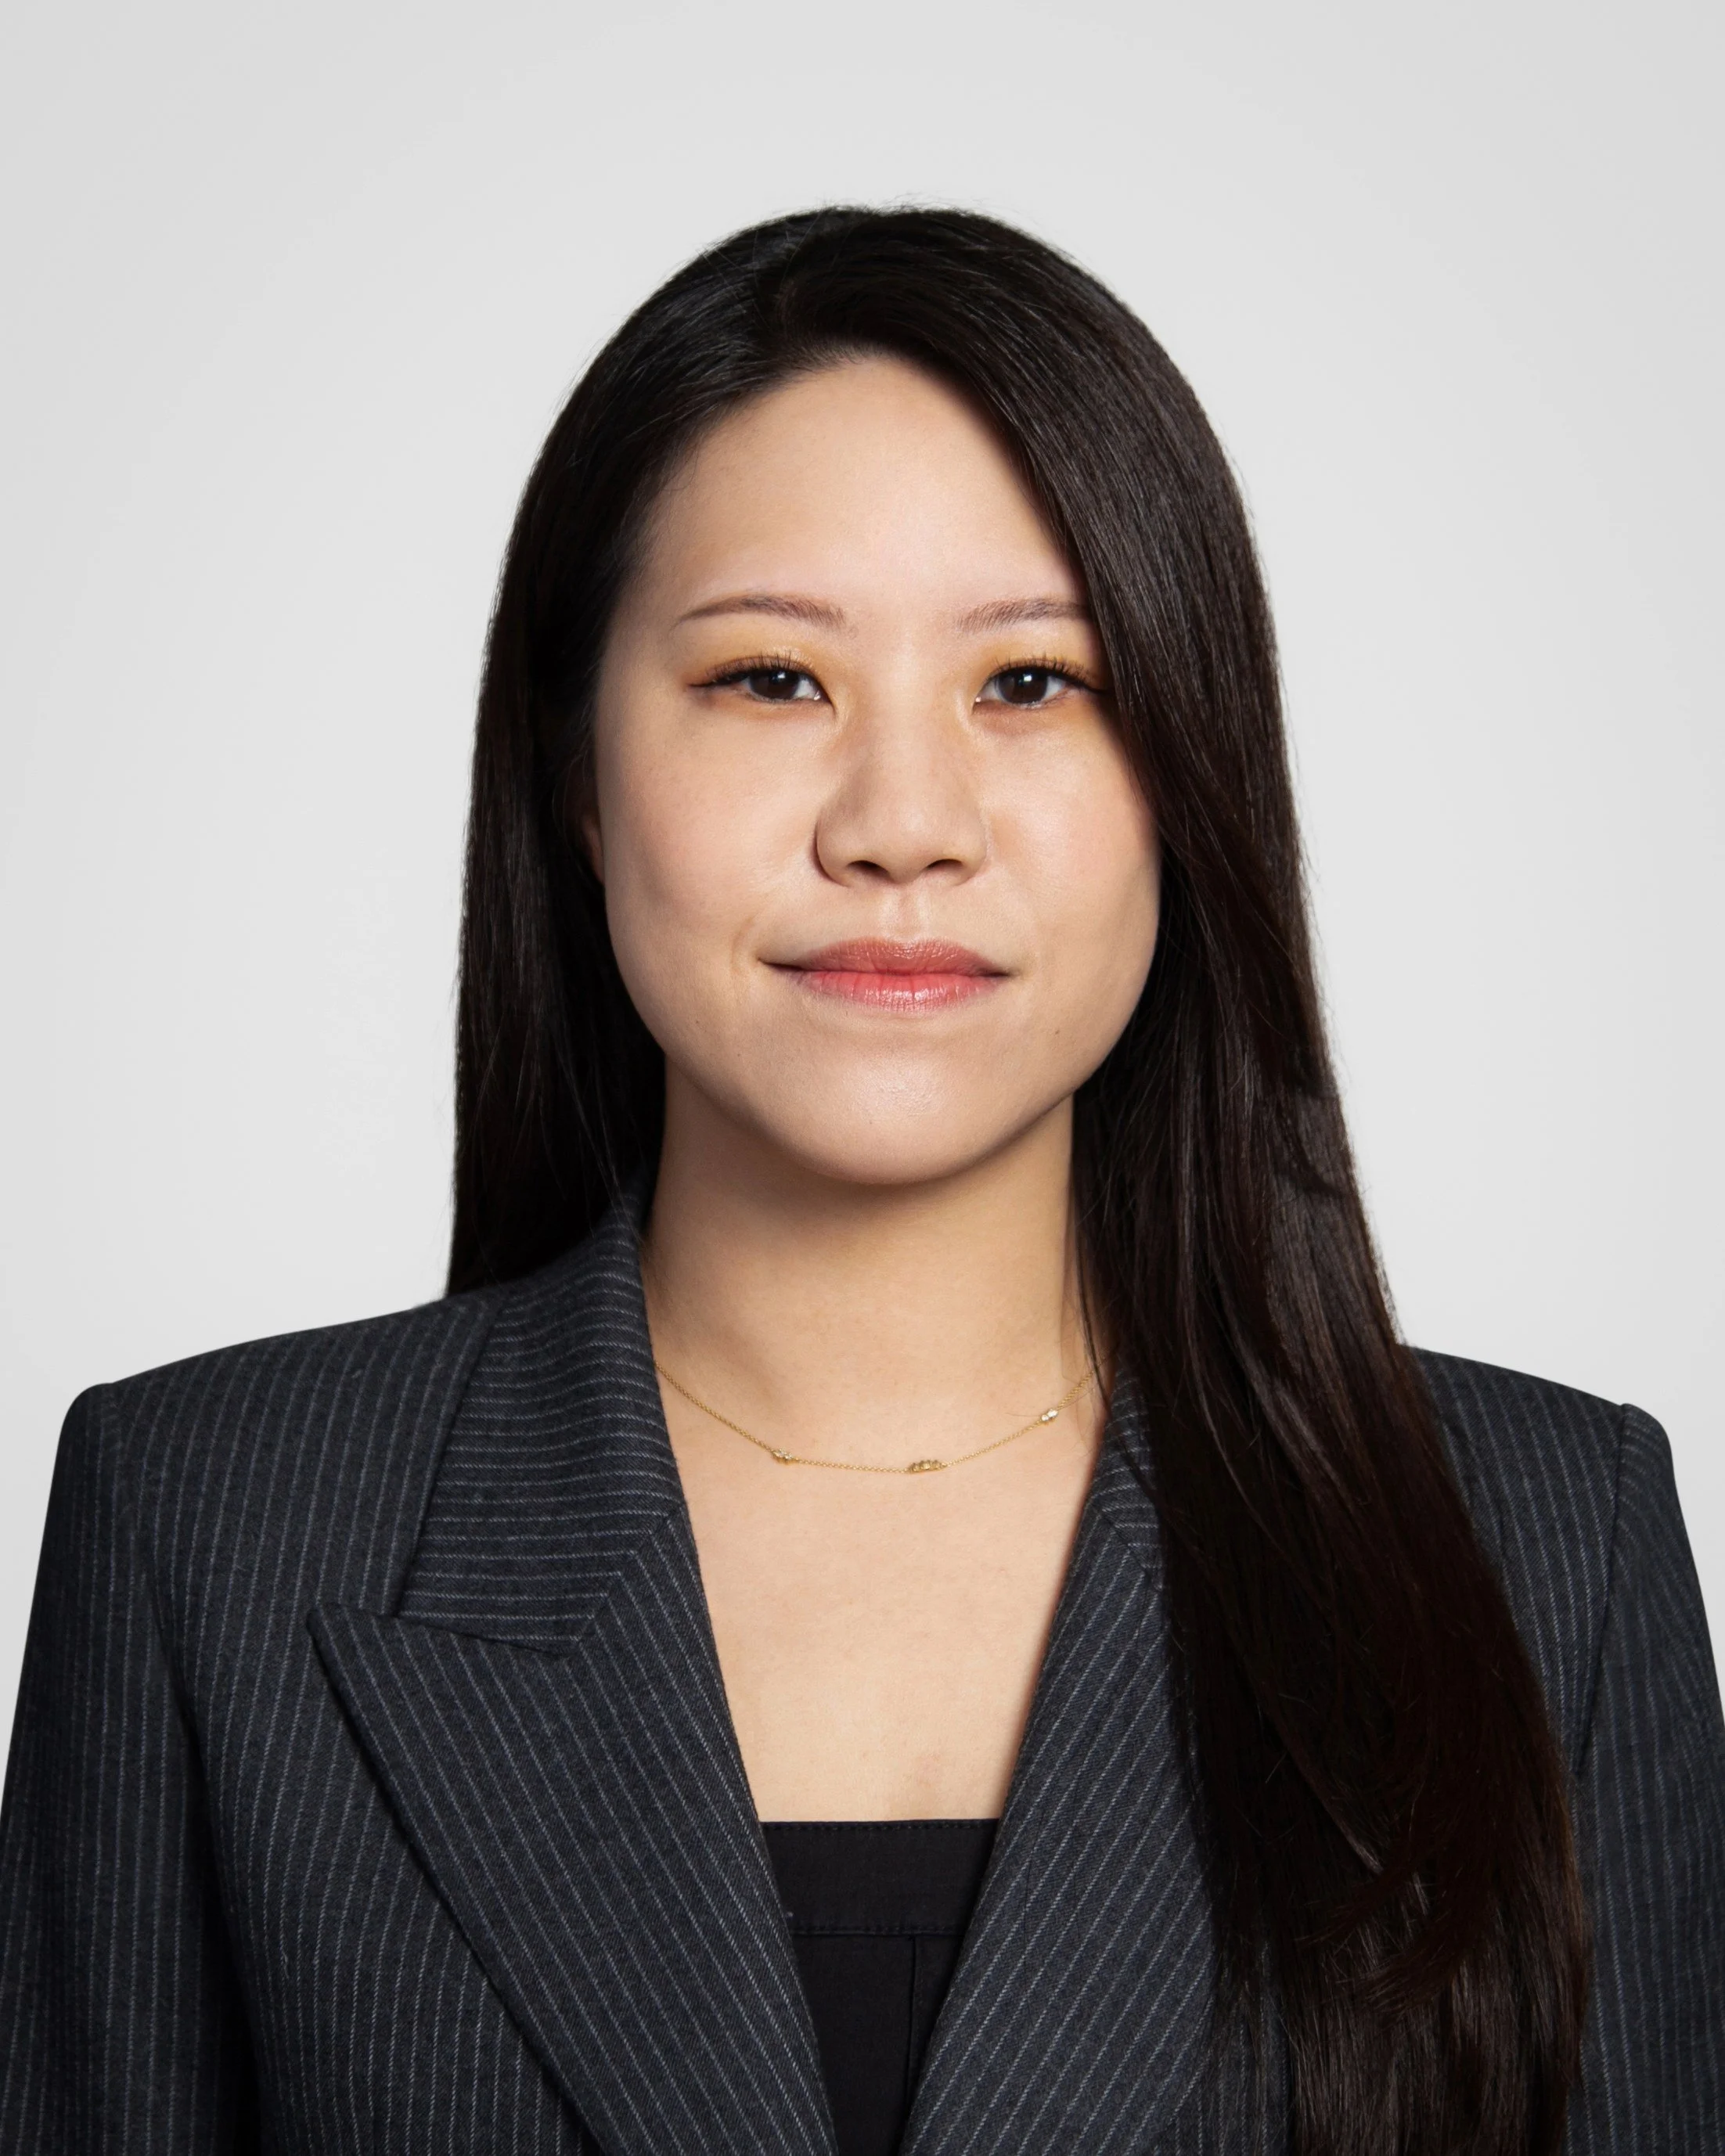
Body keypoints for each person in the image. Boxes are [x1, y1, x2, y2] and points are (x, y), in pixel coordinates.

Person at [2, 207, 1720, 2156]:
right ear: (574, 772)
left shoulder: (1542, 1552)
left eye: (1033, 686)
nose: (902, 826)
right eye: (767, 680)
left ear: (1194, 774)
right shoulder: (212, 1536)